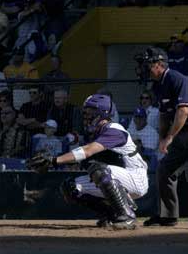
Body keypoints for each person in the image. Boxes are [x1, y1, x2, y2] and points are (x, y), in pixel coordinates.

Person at [28, 94, 148, 229]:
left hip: (136, 177)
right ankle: (111, 215)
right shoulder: (94, 132)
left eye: (90, 111)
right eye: (85, 111)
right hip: (117, 177)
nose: (86, 115)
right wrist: (56, 162)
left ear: (102, 113)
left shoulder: (114, 129)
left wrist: (55, 161)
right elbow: (84, 157)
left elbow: (88, 150)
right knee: (70, 187)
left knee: (98, 170)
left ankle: (127, 215)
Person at [140, 46, 188, 226]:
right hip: (181, 136)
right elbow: (164, 115)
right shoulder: (158, 85)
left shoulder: (176, 78)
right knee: (164, 170)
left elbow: (183, 111)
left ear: (160, 65)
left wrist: (170, 137)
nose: (145, 68)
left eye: (148, 64)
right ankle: (168, 216)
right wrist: (162, 138)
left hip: (183, 132)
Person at [128, 106, 159, 172]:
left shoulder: (152, 132)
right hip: (132, 160)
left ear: (145, 118)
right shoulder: (131, 130)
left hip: (148, 163)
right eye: (136, 117)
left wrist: (137, 145)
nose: (138, 120)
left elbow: (149, 155)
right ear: (133, 118)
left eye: (141, 117)